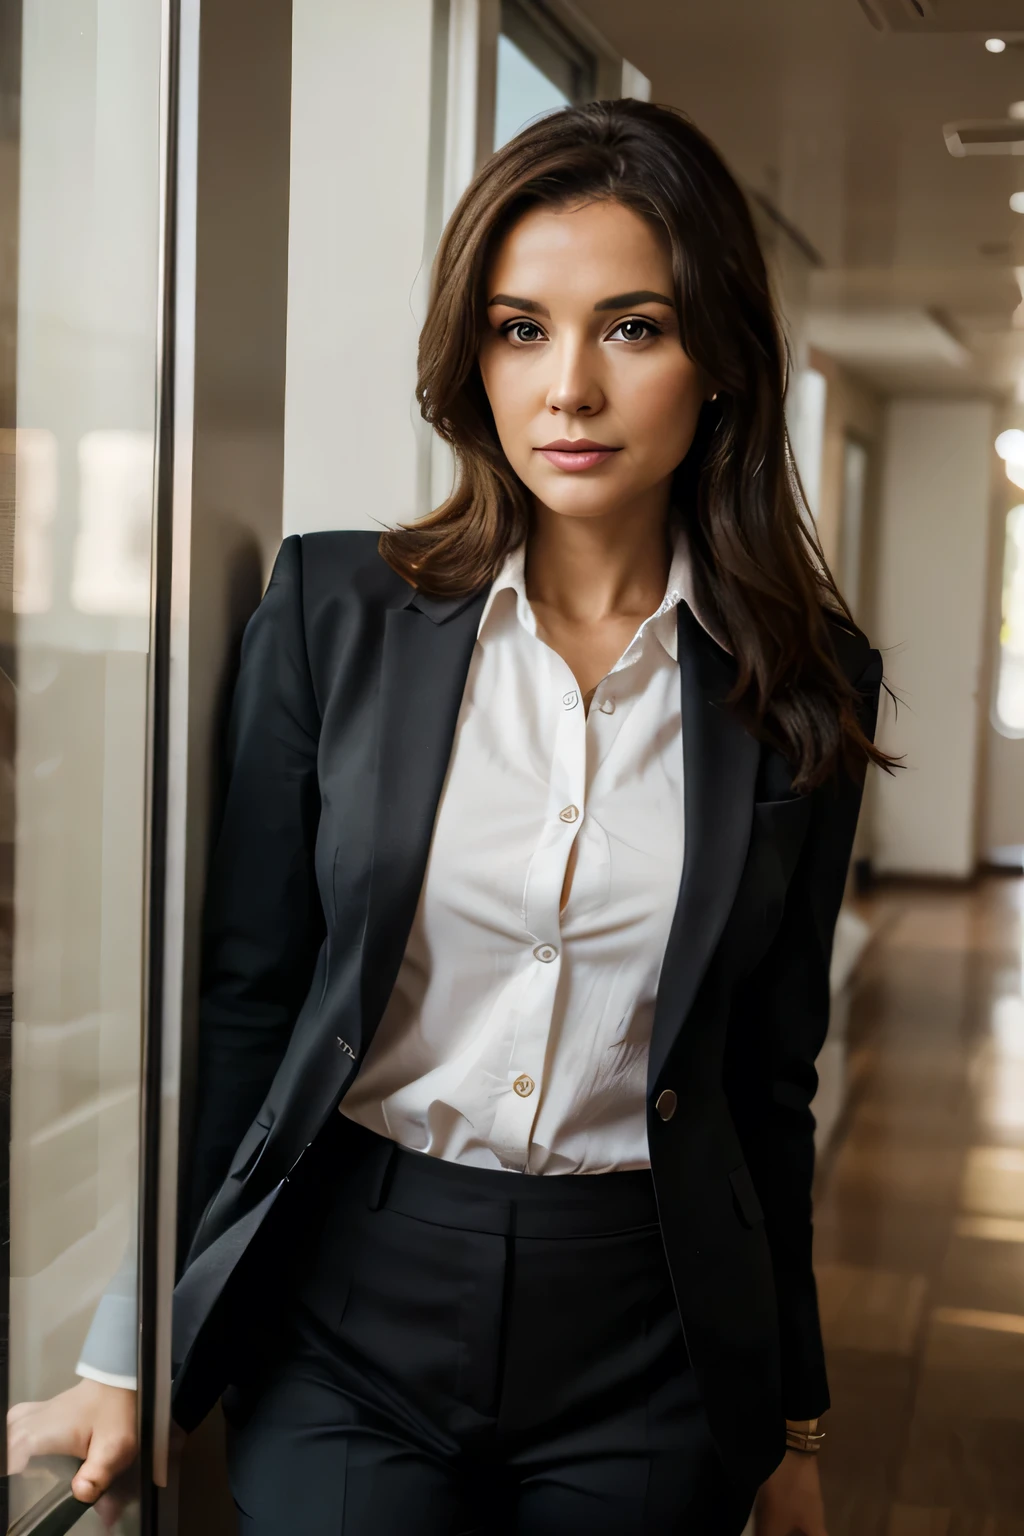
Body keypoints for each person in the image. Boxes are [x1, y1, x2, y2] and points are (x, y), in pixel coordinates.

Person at [9, 100, 889, 1534]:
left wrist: (794, 1422)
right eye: (521, 329)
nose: (569, 393)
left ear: (720, 356)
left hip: (648, 1333)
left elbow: (769, 1082)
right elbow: (247, 1008)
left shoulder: (806, 688)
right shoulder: (334, 615)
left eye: (634, 327)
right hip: (351, 1303)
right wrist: (129, 1351)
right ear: (470, 355)